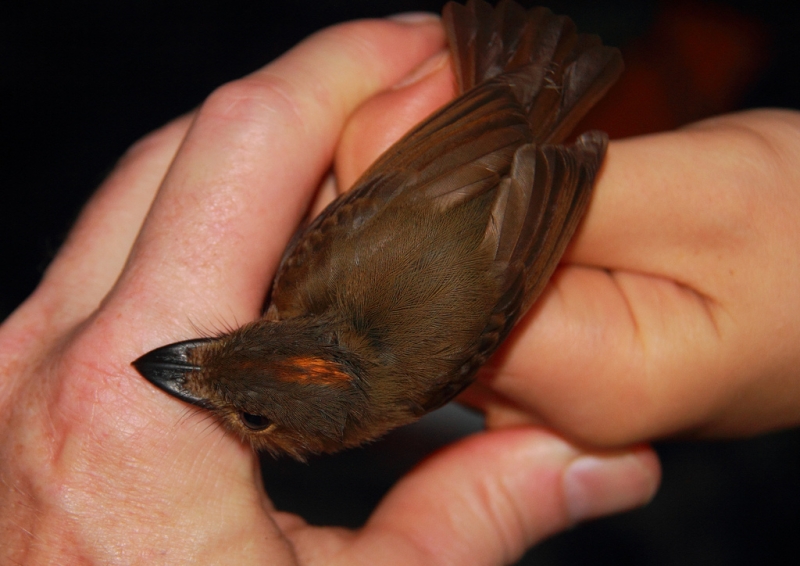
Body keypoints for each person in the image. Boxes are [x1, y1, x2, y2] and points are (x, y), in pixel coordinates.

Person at [1, 13, 798, 564]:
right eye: (248, 406)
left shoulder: (418, 382)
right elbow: (426, 199)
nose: (193, 361)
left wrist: (550, 175)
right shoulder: (312, 273)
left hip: (517, 176)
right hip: (483, 121)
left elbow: (517, 274)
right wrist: (507, 107)